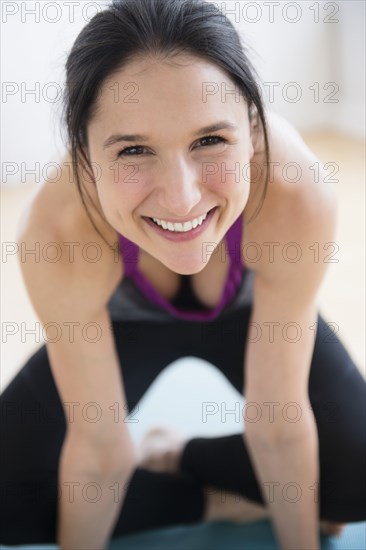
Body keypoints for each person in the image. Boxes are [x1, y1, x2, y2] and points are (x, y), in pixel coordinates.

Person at [1, 0, 365, 548]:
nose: (181, 197)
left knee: (357, 477)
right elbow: (99, 446)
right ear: (83, 156)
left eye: (210, 140)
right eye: (134, 150)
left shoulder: (297, 195)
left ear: (252, 125)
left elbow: (279, 418)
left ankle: (183, 452)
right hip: (120, 327)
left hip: (249, 311)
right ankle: (219, 499)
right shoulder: (57, 232)